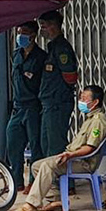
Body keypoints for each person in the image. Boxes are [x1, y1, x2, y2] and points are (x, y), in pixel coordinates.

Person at [9, 85, 106, 211]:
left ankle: (31, 205)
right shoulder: (90, 119)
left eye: (84, 98)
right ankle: (56, 200)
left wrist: (70, 155)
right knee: (36, 166)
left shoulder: (99, 121)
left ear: (95, 102)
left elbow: (89, 148)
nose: (81, 101)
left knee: (47, 166)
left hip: (83, 162)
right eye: (81, 98)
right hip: (74, 158)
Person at [5, 21, 46, 192]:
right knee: (13, 144)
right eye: (19, 31)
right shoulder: (16, 55)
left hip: (33, 107)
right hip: (17, 107)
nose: (21, 35)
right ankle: (16, 181)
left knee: (36, 146)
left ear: (34, 35)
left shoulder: (41, 57)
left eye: (25, 32)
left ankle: (33, 182)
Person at [38, 10, 78, 158]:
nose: (41, 30)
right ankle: (52, 180)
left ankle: (64, 181)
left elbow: (71, 76)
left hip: (57, 103)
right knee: (46, 144)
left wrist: (59, 92)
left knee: (56, 146)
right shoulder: (53, 47)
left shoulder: (62, 49)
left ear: (53, 26)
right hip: (49, 104)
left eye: (44, 26)